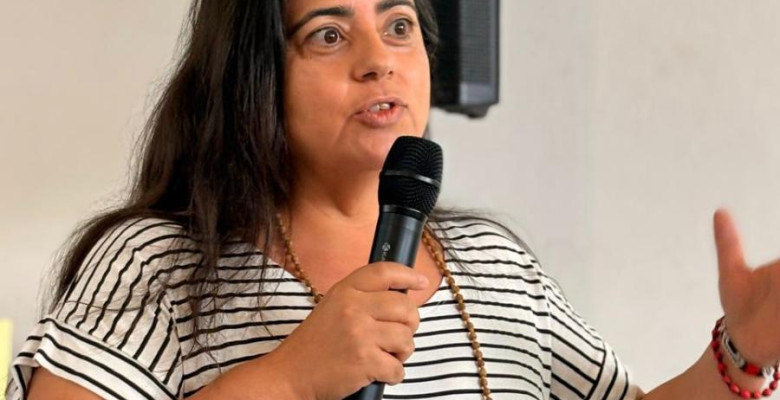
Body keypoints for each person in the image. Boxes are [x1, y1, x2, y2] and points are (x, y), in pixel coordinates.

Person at [6, 0, 779, 399]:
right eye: (329, 35)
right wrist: (291, 378)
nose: (380, 61)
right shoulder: (163, 261)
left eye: (400, 25)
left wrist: (743, 353)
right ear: (255, 76)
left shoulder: (495, 262)